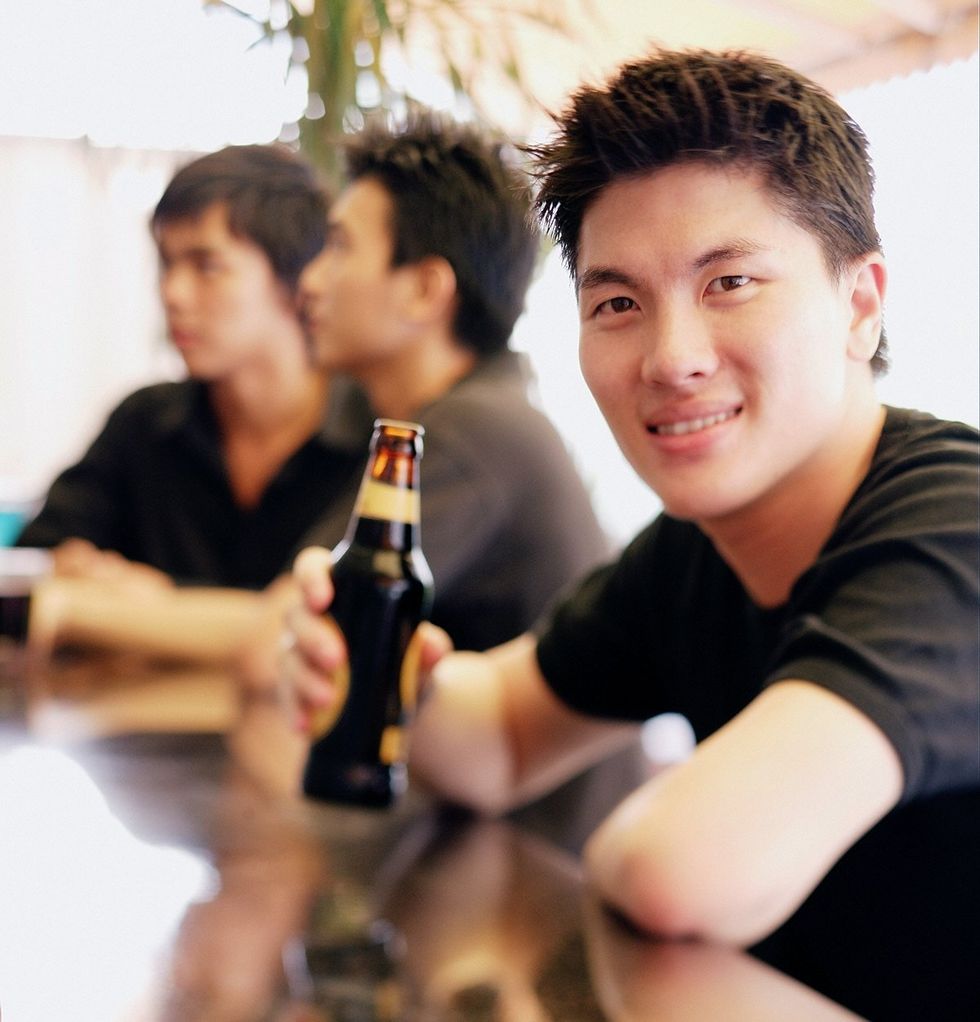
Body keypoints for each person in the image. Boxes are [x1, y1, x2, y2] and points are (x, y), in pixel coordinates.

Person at [283, 50, 980, 1019]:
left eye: (728, 281)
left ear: (857, 303)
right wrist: (381, 667)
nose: (671, 357)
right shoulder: (698, 545)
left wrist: (617, 846)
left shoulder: (954, 528)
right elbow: (504, 735)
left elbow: (677, 874)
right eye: (616, 302)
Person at [19, 144, 369, 592]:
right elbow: (40, 559)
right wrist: (79, 569)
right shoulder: (144, 423)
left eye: (207, 266)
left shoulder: (375, 437)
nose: (172, 292)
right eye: (167, 264)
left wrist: (156, 605)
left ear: (299, 278)